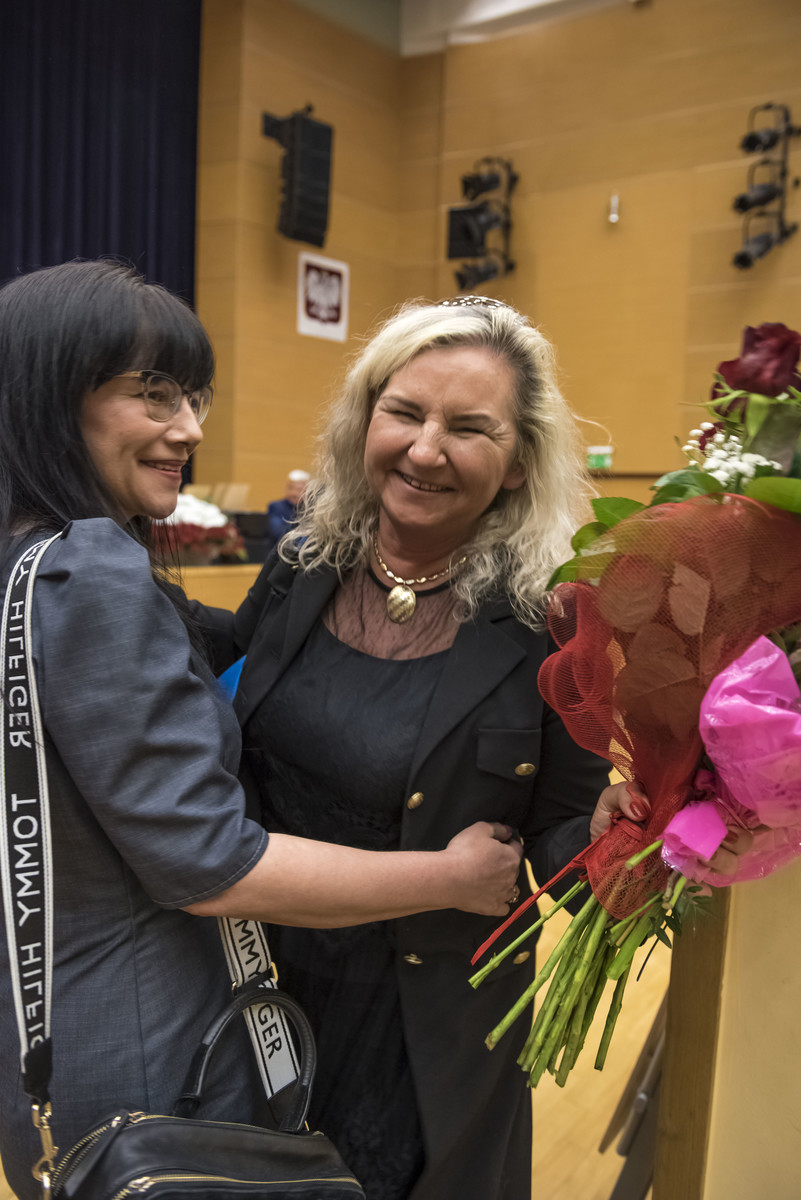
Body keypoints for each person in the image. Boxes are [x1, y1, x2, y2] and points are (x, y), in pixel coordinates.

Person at [0, 264, 526, 1200]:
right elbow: (208, 863)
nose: (189, 429)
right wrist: (450, 877)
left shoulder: (23, 558)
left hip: (45, 1028)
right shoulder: (92, 572)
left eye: (191, 397)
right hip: (155, 1058)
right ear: (51, 394)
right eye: (152, 393)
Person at [192, 296, 663, 1200]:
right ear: (364, 420)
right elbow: (234, 696)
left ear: (518, 463)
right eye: (403, 412)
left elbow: (557, 837)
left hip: (423, 1030)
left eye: (468, 428)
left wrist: (617, 837)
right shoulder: (303, 563)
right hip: (254, 987)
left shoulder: (550, 622)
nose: (424, 448)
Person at [264, 468, 310, 549]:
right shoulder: (276, 506)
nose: (294, 493)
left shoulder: (311, 509)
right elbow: (279, 533)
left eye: (299, 489)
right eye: (290, 488)